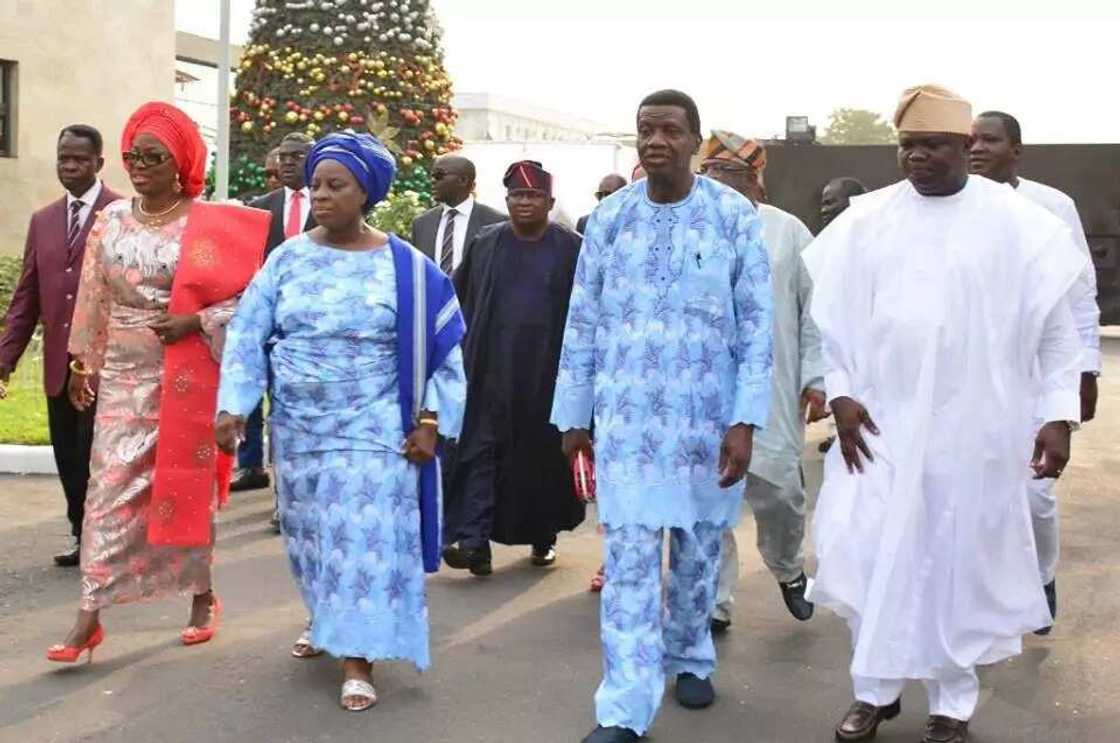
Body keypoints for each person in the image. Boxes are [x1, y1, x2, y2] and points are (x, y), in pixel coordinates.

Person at [804, 85, 1084, 743]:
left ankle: (951, 705)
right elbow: (833, 326)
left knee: (959, 561)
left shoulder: (1020, 225)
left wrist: (1057, 415)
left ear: (965, 147)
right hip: (880, 426)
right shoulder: (865, 221)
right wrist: (840, 393)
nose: (917, 156)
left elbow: (1056, 331)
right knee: (871, 551)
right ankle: (873, 691)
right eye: (907, 145)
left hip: (977, 426)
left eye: (932, 144)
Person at [216, 131, 466, 712]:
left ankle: (358, 657)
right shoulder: (288, 258)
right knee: (312, 537)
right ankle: (325, 615)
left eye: (336, 185)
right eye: (316, 185)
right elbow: (250, 334)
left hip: (375, 426)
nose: (320, 195)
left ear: (367, 193)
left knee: (362, 538)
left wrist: (430, 420)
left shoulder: (409, 268)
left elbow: (445, 352)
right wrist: (234, 405)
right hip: (301, 429)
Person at [552, 89, 773, 743]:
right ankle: (624, 705)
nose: (655, 140)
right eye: (645, 129)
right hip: (627, 425)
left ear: (695, 142)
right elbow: (582, 319)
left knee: (700, 551)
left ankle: (691, 655)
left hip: (707, 423)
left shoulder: (733, 217)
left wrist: (745, 420)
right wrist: (573, 413)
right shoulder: (610, 219)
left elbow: (758, 327)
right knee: (628, 564)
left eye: (670, 130)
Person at [45, 102, 269, 664]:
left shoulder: (211, 223)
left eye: (153, 156)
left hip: (187, 374)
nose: (139, 165)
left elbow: (251, 300)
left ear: (182, 161)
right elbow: (94, 297)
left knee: (185, 491)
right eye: (132, 156)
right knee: (107, 495)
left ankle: (202, 596)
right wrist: (83, 364)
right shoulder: (111, 221)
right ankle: (89, 616)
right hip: (123, 375)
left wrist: (198, 320)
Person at [969, 110, 1101, 634]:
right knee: (975, 490)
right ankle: (984, 594)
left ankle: (1041, 578)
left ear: (1016, 151)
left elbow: (1079, 292)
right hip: (974, 375)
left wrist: (1084, 372)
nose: (977, 148)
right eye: (971, 140)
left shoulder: (1051, 206)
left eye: (990, 140)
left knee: (1034, 491)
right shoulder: (951, 207)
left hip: (1040, 369)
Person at [698, 131, 828, 629]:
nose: (721, 185)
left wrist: (817, 378)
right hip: (704, 389)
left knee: (779, 494)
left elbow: (814, 311)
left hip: (771, 389)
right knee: (709, 498)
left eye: (733, 175)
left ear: (757, 182)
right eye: (712, 174)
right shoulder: (690, 229)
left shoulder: (788, 232)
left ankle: (789, 568)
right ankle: (714, 603)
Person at [442, 161, 584, 576]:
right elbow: (459, 297)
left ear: (549, 202)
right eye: (517, 196)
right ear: (505, 202)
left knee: (539, 462)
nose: (524, 203)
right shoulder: (487, 242)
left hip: (546, 377)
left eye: (533, 196)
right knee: (481, 452)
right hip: (489, 370)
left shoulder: (570, 248)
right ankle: (474, 542)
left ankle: (543, 536)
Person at [0, 125, 121, 567]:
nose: (69, 166)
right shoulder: (43, 220)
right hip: (58, 365)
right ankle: (79, 531)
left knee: (102, 458)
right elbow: (26, 298)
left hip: (108, 365)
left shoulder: (122, 213)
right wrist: (4, 361)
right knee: (70, 458)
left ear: (99, 163)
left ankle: (108, 539)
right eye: (63, 158)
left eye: (79, 159)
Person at [231, 133, 318, 501]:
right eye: (283, 157)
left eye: (296, 156)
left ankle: (291, 486)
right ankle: (251, 466)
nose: (286, 163)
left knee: (290, 404)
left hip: (310, 322)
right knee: (252, 389)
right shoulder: (261, 208)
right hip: (265, 316)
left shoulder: (331, 203)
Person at [410, 154, 506, 274]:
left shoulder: (496, 222)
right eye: (432, 176)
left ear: (463, 180)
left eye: (439, 176)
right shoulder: (421, 224)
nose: (432, 181)